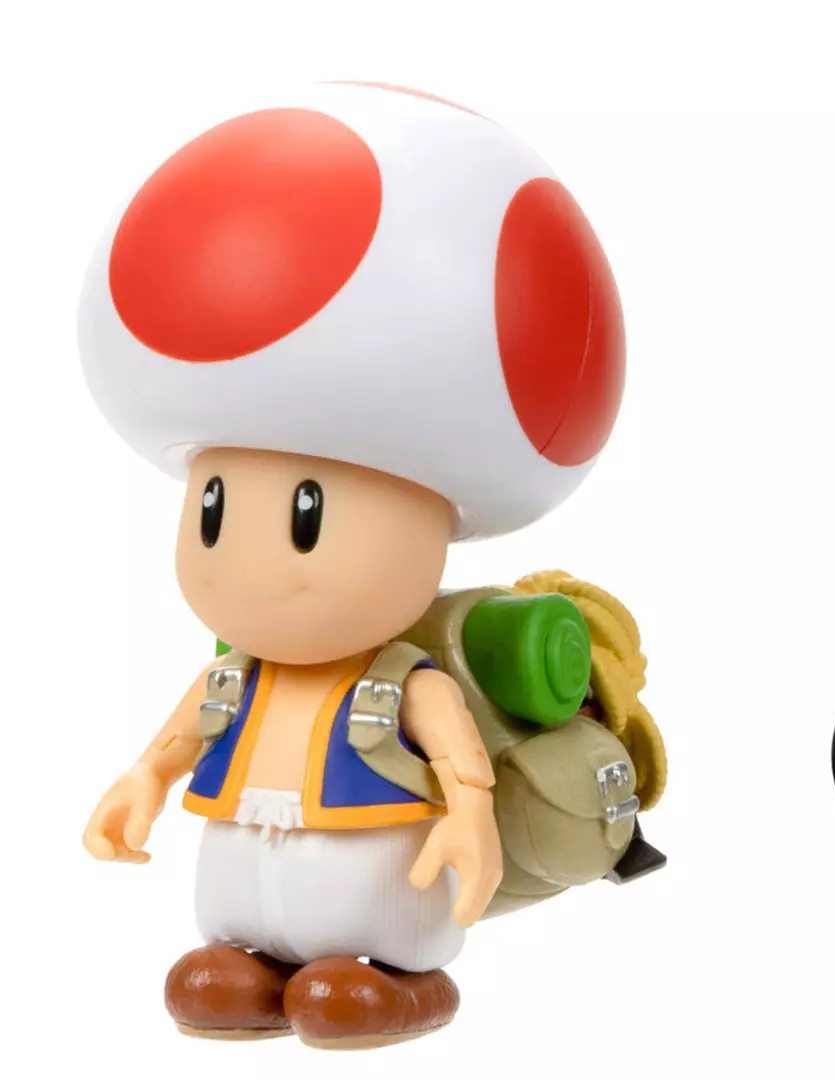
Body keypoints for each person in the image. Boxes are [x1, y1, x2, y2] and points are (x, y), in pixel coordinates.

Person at [80, 81, 625, 1049]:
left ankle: (399, 982)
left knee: (373, 915)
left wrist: (469, 820)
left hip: (376, 862)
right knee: (233, 920)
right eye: (214, 508)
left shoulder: (404, 682)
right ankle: (250, 967)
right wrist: (142, 781)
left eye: (305, 517)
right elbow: (177, 741)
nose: (247, 568)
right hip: (250, 850)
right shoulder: (234, 676)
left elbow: (458, 763)